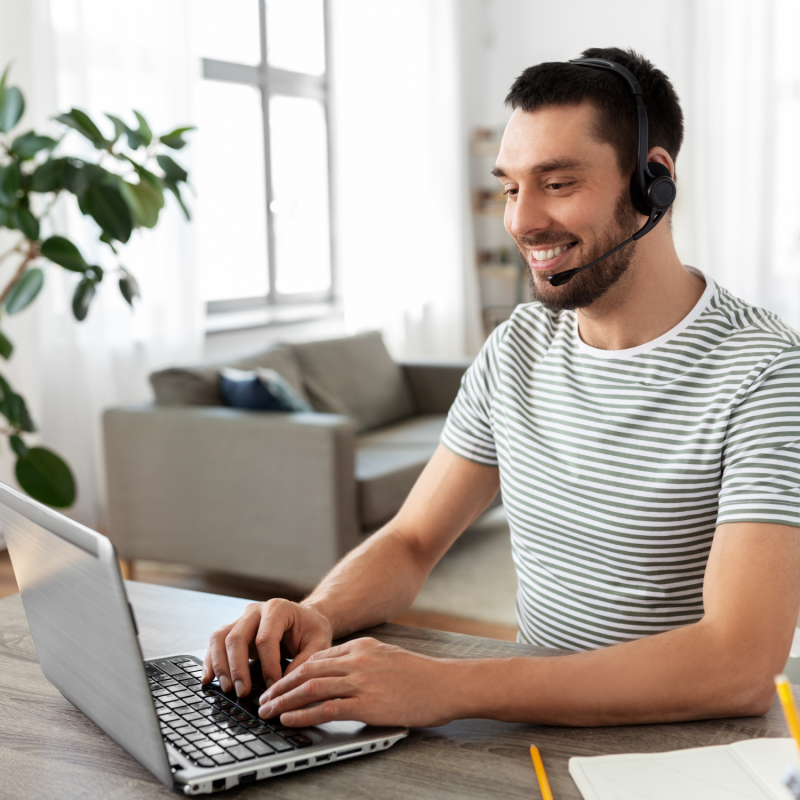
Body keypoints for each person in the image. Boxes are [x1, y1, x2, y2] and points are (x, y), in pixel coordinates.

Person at [202, 47, 800, 729]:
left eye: (558, 183)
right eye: (512, 188)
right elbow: (412, 541)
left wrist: (449, 686)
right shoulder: (518, 346)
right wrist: (317, 611)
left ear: (653, 181)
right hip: (528, 735)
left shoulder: (766, 372)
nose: (520, 220)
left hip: (680, 749)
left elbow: (738, 665)